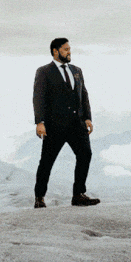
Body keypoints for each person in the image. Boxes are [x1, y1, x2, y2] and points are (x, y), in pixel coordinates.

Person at [32, 38, 99, 208]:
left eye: (70, 49)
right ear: (55, 51)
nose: (69, 52)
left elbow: (83, 94)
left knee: (85, 154)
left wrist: (88, 117)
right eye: (66, 49)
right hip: (54, 125)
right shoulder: (44, 71)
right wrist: (39, 122)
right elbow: (38, 98)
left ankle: (78, 195)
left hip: (77, 124)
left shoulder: (77, 70)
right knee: (47, 161)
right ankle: (39, 198)